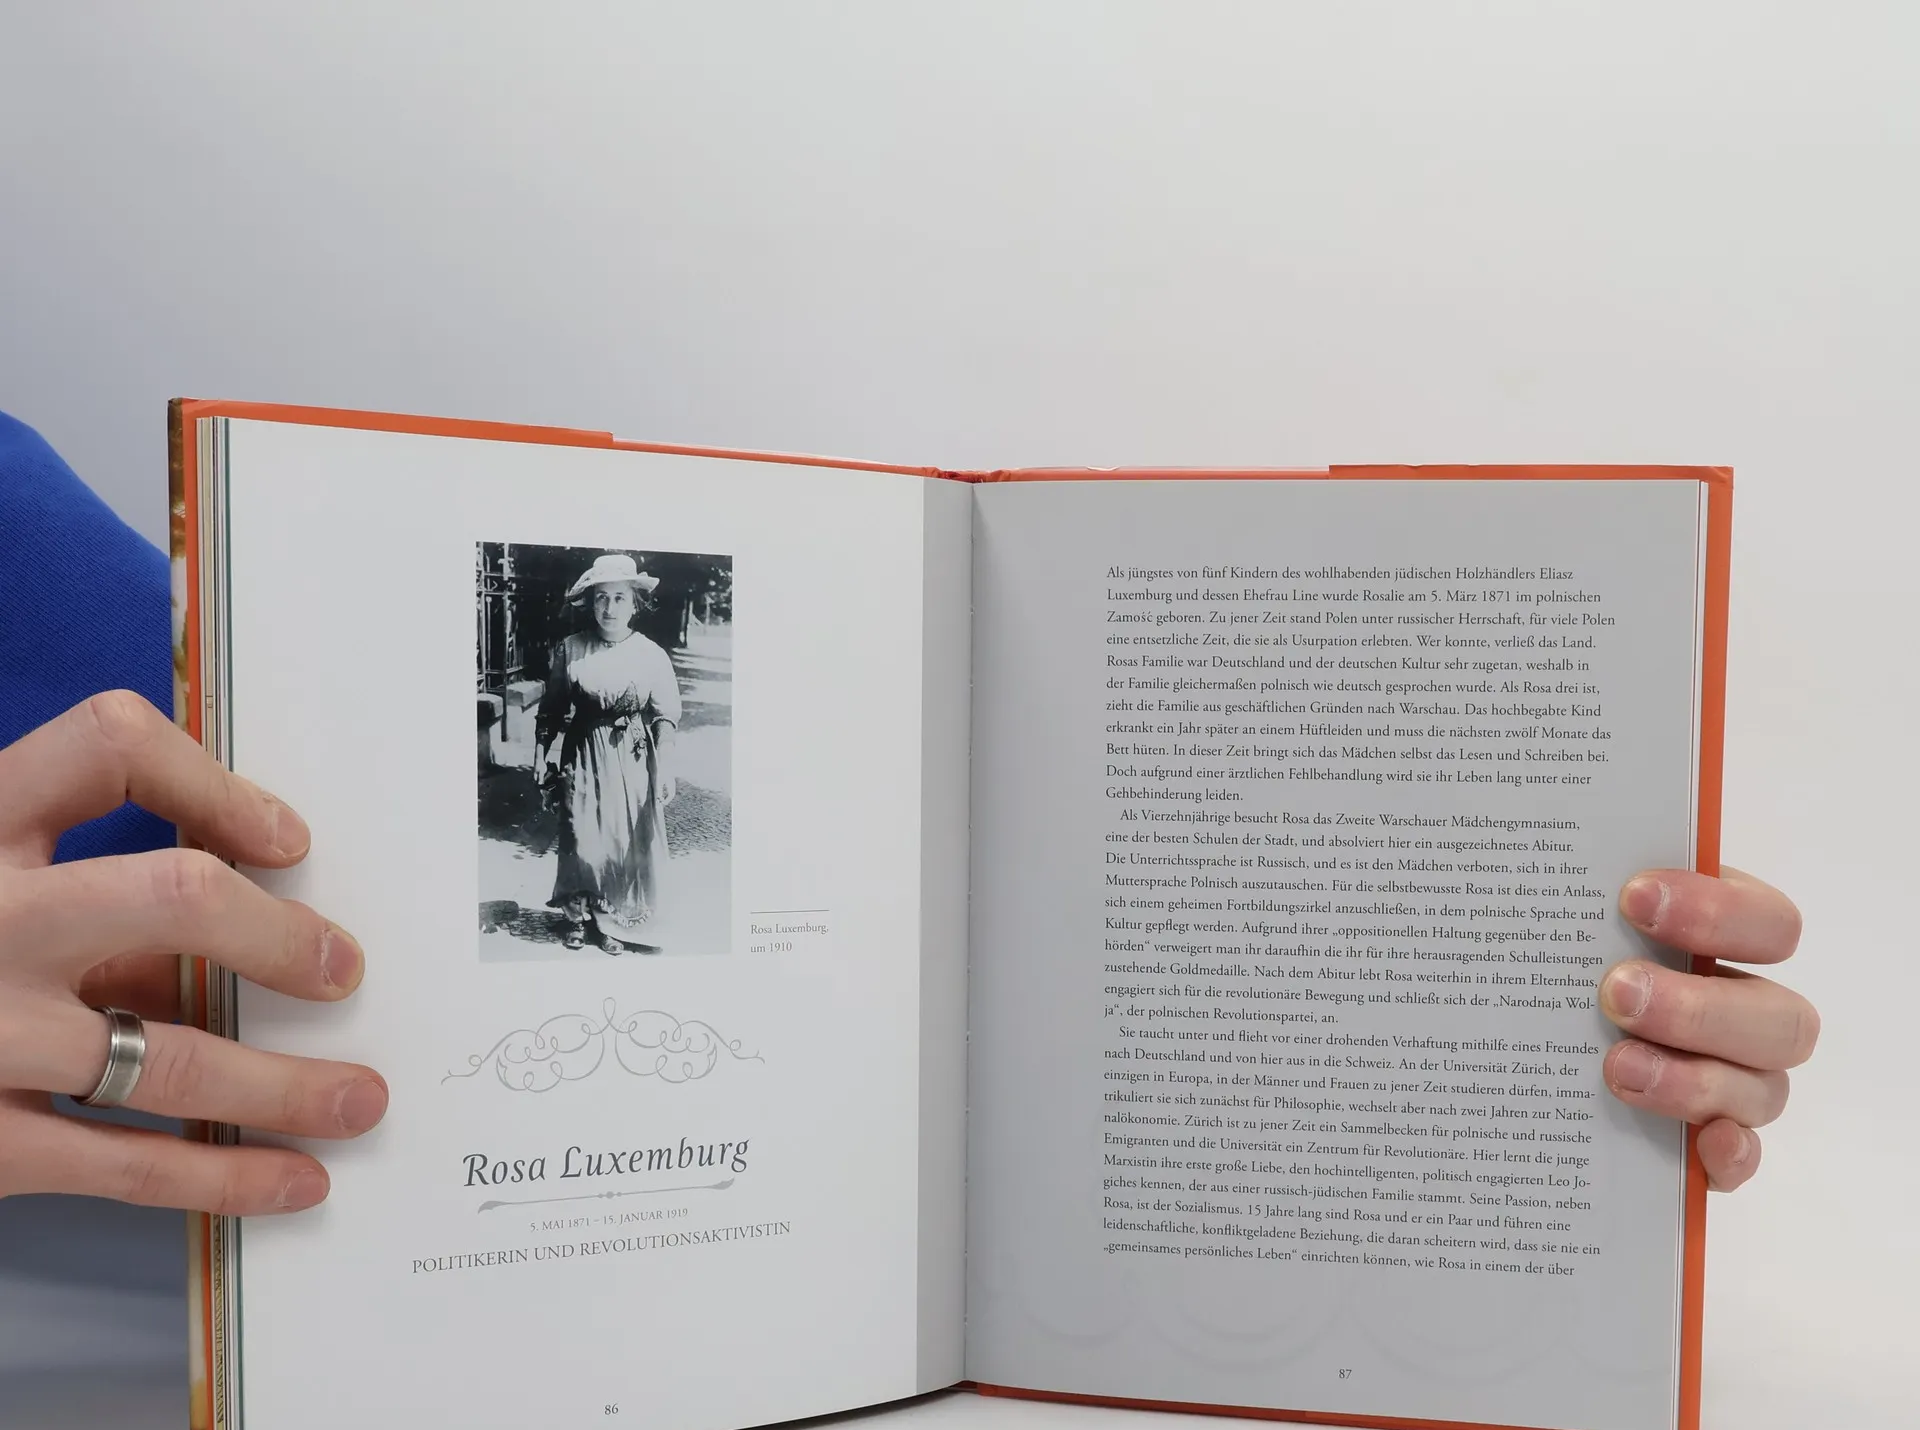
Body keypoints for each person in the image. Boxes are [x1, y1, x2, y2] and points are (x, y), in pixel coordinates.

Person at [0, 411, 1816, 1212]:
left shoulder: (102, 611)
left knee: (616, 860)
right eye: (609, 597)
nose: (616, 608)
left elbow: (235, 830)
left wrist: (1516, 1009)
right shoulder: (557, 655)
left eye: (625, 598)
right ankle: (595, 909)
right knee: (584, 854)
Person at [533, 553, 683, 951]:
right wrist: (542, 755)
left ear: (635, 603)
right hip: (582, 753)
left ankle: (612, 924)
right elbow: (550, 710)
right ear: (590, 602)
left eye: (619, 598)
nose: (610, 608)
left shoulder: (651, 654)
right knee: (580, 836)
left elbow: (665, 715)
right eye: (601, 597)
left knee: (621, 840)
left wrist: (665, 766)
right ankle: (576, 918)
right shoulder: (571, 649)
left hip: (632, 757)